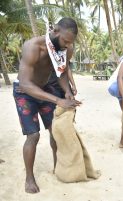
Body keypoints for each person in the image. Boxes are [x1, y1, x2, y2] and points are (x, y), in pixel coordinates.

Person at [13, 17, 81, 194]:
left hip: (45, 87)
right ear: (55, 31)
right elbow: (26, 84)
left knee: (55, 130)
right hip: (24, 91)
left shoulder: (67, 48)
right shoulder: (33, 47)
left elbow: (62, 71)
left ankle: (57, 165)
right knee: (33, 135)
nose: (67, 46)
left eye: (70, 43)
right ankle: (29, 177)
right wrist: (58, 100)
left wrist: (66, 91)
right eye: (65, 41)